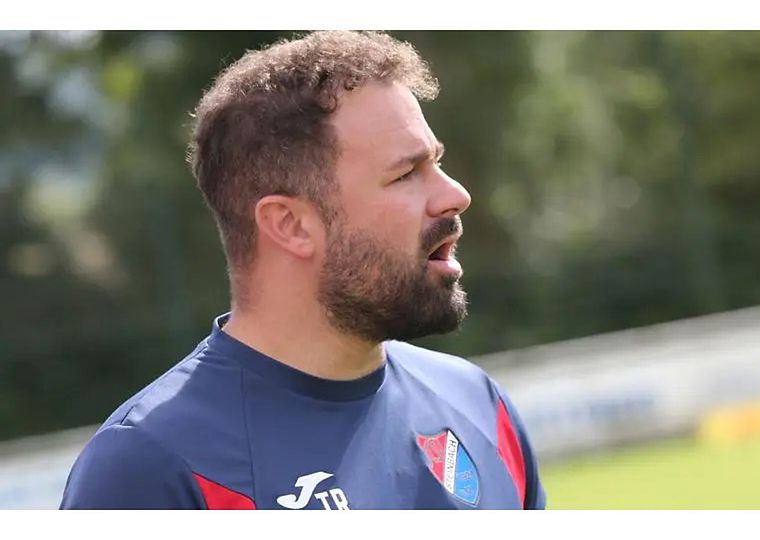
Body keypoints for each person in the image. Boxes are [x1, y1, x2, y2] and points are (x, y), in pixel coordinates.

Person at [60, 31, 545, 510]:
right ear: (290, 224)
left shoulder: (479, 406)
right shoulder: (153, 467)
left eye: (437, 162)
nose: (455, 195)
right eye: (405, 174)